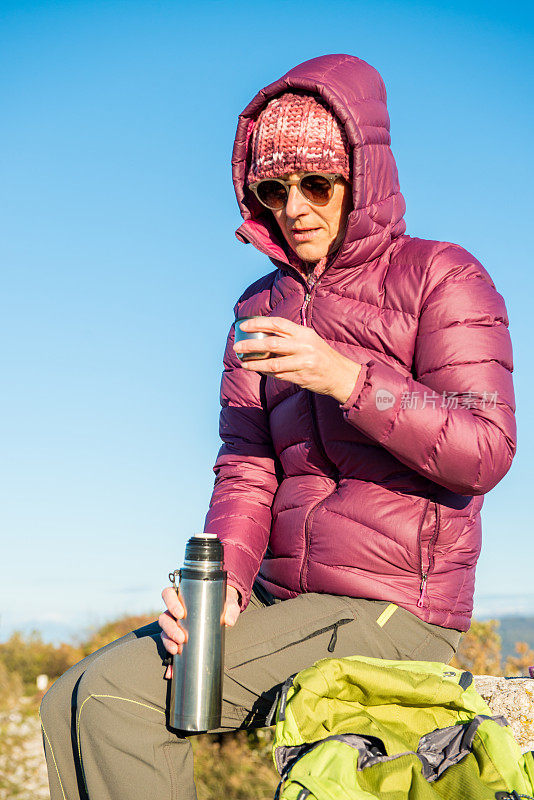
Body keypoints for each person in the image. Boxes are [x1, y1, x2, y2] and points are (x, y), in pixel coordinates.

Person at [40, 54, 516, 800]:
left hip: (396, 611)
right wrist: (225, 584)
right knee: (73, 695)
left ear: (360, 177)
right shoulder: (258, 305)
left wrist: (346, 379)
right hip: (282, 601)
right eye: (273, 187)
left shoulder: (443, 277)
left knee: (125, 706)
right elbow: (247, 466)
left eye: (316, 183)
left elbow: (484, 453)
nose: (294, 207)